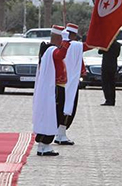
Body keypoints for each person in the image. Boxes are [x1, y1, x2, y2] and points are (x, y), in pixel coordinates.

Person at [33, 25, 71, 156]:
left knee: (54, 114)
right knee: (53, 115)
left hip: (57, 86)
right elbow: (60, 54)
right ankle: (44, 145)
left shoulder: (48, 49)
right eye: (62, 38)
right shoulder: (51, 50)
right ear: (58, 37)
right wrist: (66, 42)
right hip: (55, 88)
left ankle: (43, 145)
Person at [54, 23, 87, 145]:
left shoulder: (60, 45)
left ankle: (59, 133)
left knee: (59, 107)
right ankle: (61, 134)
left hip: (58, 82)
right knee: (67, 108)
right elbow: (88, 47)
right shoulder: (74, 46)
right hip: (69, 82)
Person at [99, 38, 121, 106]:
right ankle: (112, 100)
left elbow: (100, 51)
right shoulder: (117, 44)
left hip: (106, 66)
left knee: (105, 83)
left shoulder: (106, 44)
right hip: (113, 66)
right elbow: (117, 54)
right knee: (112, 84)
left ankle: (108, 99)